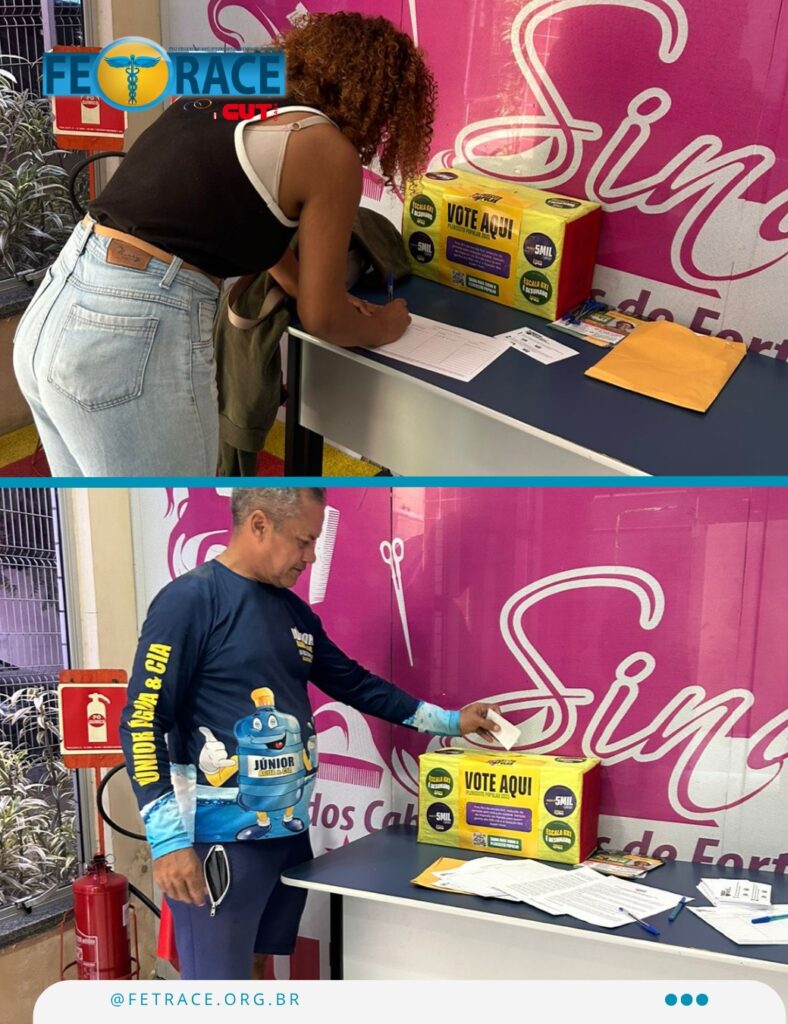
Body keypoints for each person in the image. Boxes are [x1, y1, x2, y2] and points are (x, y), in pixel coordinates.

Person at [13, 13, 437, 476]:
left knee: (105, 502)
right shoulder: (327, 149)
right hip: (127, 334)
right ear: (379, 101)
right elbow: (323, 319)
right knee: (179, 498)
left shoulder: (225, 98)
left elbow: (243, 218)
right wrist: (387, 325)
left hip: (56, 306)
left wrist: (309, 288)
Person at [120, 487, 500, 980]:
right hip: (217, 842)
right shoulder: (191, 600)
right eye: (303, 541)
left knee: (256, 970)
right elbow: (142, 721)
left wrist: (450, 722)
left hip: (287, 837)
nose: (312, 556)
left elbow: (355, 684)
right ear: (259, 524)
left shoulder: (294, 613)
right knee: (216, 990)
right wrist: (169, 842)